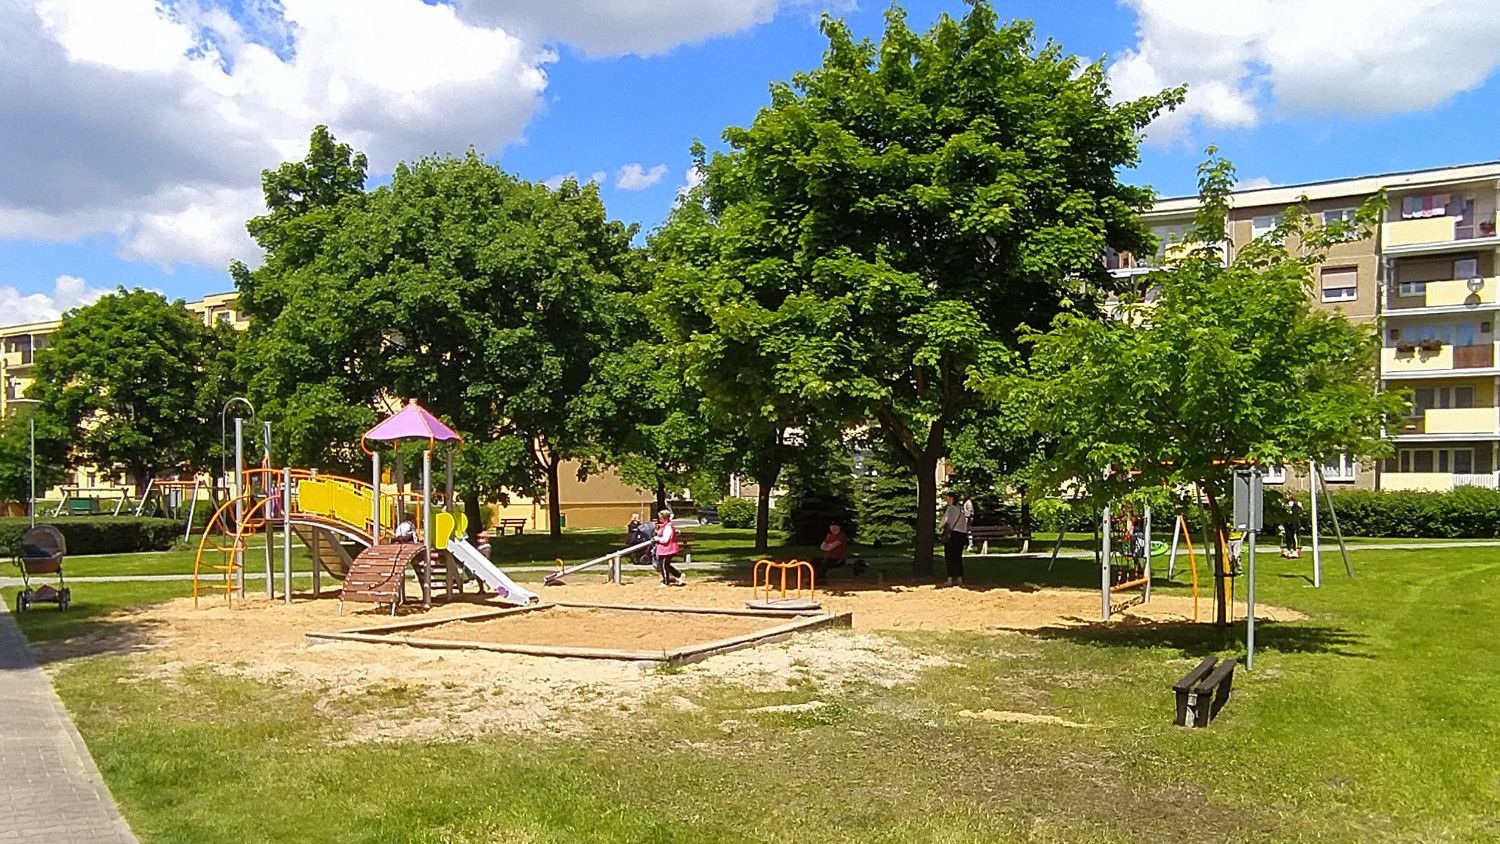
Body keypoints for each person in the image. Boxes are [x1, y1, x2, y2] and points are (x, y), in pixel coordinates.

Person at [938, 492, 970, 586]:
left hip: (953, 534)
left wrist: (939, 527)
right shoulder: (960, 509)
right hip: (961, 534)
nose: (946, 500)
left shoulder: (951, 509)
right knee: (958, 557)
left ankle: (950, 578)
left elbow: (945, 520)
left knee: (950, 556)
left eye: (947, 498)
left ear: (951, 499)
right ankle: (959, 578)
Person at [653, 509, 684, 587]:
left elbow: (665, 539)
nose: (659, 519)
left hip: (668, 548)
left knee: (664, 565)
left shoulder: (668, 526)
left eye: (660, 517)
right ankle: (678, 575)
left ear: (665, 517)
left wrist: (657, 539)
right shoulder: (665, 526)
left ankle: (666, 582)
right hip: (664, 549)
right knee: (664, 564)